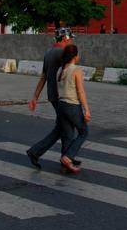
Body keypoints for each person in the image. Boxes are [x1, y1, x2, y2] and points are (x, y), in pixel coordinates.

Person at [25, 28, 75, 169]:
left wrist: (35, 97)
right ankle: (37, 152)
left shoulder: (48, 53)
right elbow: (67, 75)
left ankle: (66, 157)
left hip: (52, 95)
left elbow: (43, 77)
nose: (71, 41)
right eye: (70, 38)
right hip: (62, 96)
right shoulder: (63, 53)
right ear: (65, 38)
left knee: (64, 127)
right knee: (66, 129)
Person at [56, 43, 91, 175]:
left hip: (61, 105)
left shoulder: (61, 70)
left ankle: (65, 164)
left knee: (68, 135)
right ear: (75, 56)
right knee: (83, 132)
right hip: (72, 106)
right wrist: (87, 110)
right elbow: (81, 92)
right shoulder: (76, 70)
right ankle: (67, 157)